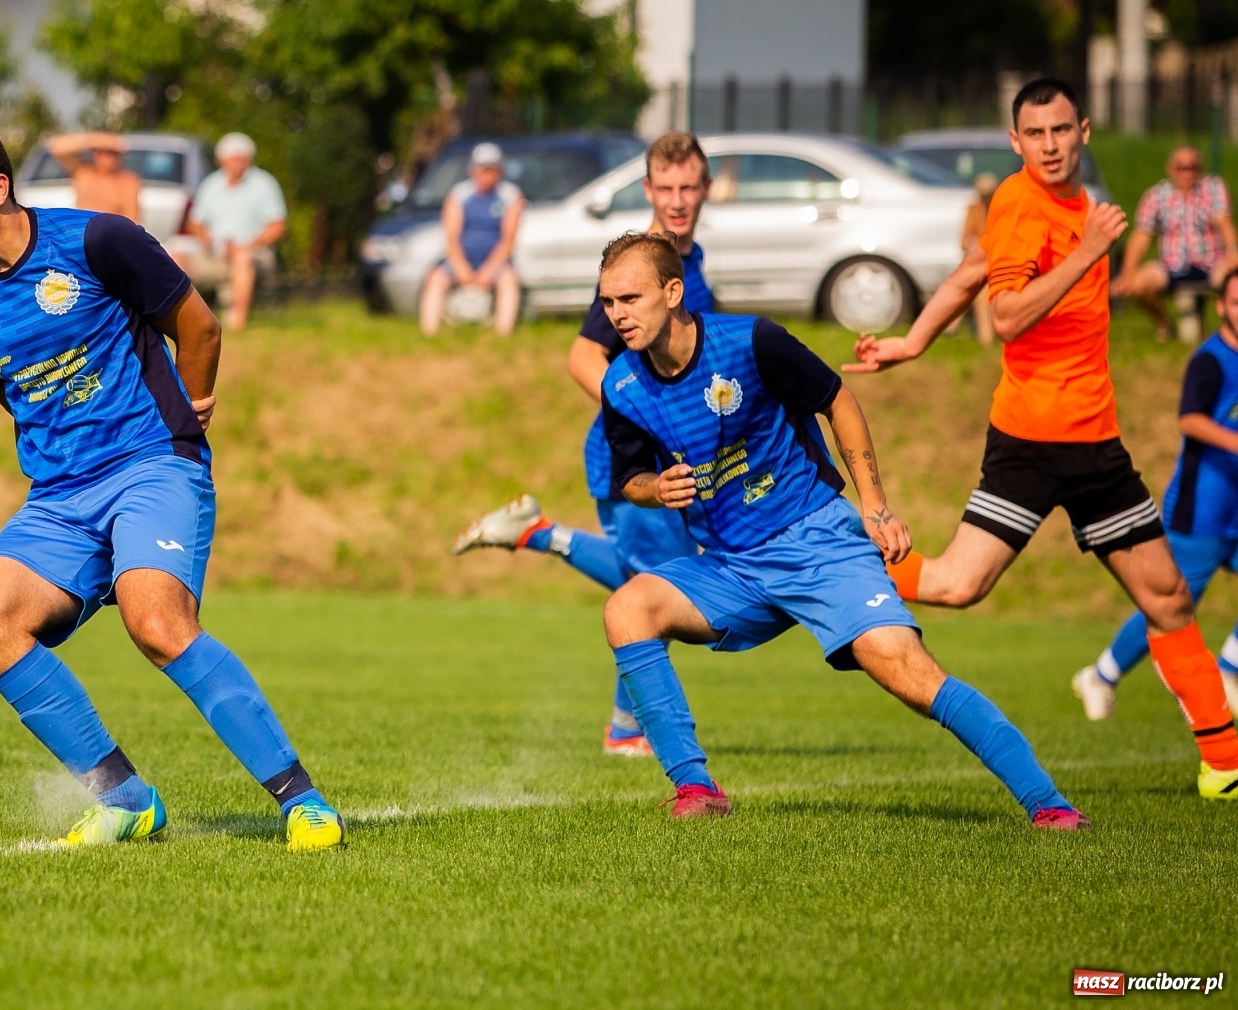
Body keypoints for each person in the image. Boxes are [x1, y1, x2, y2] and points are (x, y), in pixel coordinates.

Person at [0, 113, 344, 852]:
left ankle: (303, 802)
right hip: (59, 498)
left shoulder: (98, 240)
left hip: (150, 465)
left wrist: (191, 415)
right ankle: (126, 800)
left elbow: (198, 327)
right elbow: (15, 392)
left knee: (158, 624)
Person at [593, 230, 1086, 829]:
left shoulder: (752, 342)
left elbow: (839, 401)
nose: (617, 314)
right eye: (609, 302)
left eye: (630, 298)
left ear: (673, 292)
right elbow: (629, 477)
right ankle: (696, 789)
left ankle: (1048, 805)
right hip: (731, 565)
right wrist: (655, 488)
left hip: (815, 539)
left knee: (907, 670)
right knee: (627, 610)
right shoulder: (622, 386)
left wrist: (875, 506)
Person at [844, 77, 1238, 801]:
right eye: (1036, 134)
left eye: (1062, 131)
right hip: (1028, 441)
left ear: (1083, 131)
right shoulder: (1025, 204)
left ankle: (1226, 761)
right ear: (1016, 141)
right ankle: (832, 575)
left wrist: (914, 342)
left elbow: (969, 271)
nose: (1050, 146)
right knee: (958, 585)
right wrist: (1088, 252)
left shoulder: (1080, 206)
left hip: (1096, 446)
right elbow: (1010, 316)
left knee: (1169, 598)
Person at [451, 131, 712, 757]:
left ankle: (540, 534)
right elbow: (581, 356)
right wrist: (646, 417)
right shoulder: (641, 266)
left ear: (707, 189)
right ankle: (626, 727)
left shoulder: (689, 260)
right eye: (665, 188)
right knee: (658, 587)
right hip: (633, 460)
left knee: (651, 583)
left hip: (672, 458)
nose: (677, 201)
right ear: (647, 190)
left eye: (689, 187)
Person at [1073, 273, 1238, 723]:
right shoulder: (1211, 361)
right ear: (1221, 307)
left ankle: (1229, 670)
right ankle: (1101, 675)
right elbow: (1191, 420)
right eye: (1237, 302)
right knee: (1168, 605)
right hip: (1201, 512)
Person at [1112, 146, 1238, 340]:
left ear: (1200, 168)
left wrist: (1232, 253)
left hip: (1212, 263)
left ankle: (1229, 332)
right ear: (1170, 169)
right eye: (1181, 168)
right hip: (1172, 266)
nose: (1187, 173)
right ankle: (1164, 323)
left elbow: (1225, 223)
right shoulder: (1156, 196)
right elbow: (1141, 236)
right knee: (1137, 284)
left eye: (1192, 167)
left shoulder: (1213, 188)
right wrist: (1127, 273)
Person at [418, 142, 526, 337]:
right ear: (473, 169)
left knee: (509, 280)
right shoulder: (459, 194)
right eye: (483, 169)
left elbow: (508, 239)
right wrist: (462, 268)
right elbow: (451, 237)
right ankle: (429, 333)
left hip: (495, 260)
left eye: (492, 169)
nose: (487, 174)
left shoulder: (511, 196)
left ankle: (503, 334)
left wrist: (488, 271)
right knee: (436, 278)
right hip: (462, 258)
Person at [188, 132, 286, 331]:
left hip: (253, 252)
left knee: (242, 258)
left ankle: (238, 319)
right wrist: (206, 239)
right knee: (174, 255)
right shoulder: (211, 185)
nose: (237, 164)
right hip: (215, 252)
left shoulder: (264, 184)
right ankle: (184, 317)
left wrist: (248, 245)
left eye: (241, 159)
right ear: (221, 160)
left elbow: (277, 226)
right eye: (233, 159)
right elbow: (195, 223)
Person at [44, 132, 142, 222]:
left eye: (111, 153)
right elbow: (56, 148)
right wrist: (94, 140)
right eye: (101, 152)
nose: (106, 158)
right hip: (82, 233)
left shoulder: (127, 181)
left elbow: (131, 219)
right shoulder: (84, 173)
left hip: (112, 235)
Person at [957, 172, 998, 345]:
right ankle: (984, 336)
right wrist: (975, 244)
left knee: (983, 288)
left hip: (998, 263)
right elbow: (963, 242)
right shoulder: (973, 210)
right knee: (975, 287)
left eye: (989, 194)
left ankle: (986, 336)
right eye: (983, 194)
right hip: (980, 262)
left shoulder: (1001, 209)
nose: (986, 198)